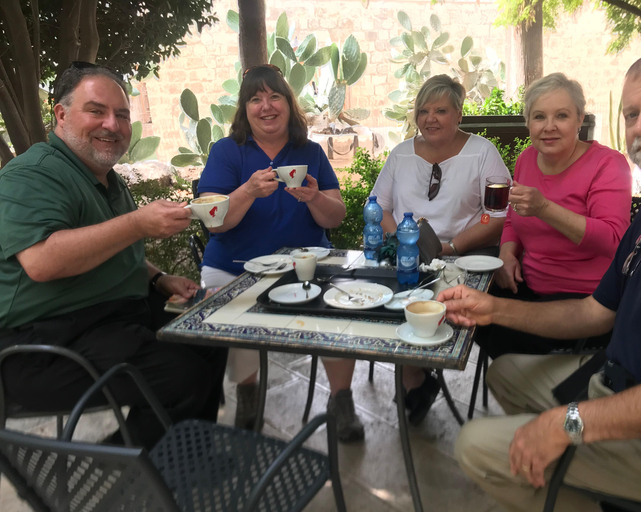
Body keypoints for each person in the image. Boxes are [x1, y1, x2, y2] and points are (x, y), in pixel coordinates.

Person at [443, 47, 641, 511]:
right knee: (506, 374)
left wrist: (567, 423)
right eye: (631, 113)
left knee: (476, 446)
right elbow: (594, 312)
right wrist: (493, 308)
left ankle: (594, 479)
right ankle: (598, 477)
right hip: (619, 380)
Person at [0, 63, 227, 449]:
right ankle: (116, 473)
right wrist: (138, 224)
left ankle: (188, 452)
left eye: (122, 115)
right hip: (43, 344)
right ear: (61, 114)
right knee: (182, 378)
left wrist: (157, 279)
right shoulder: (32, 174)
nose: (113, 124)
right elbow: (42, 261)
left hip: (113, 315)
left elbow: (113, 246)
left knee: (209, 332)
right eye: (97, 111)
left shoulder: (109, 179)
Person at [196, 65, 362, 442]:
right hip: (233, 265)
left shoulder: (310, 152)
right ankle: (249, 393)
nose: (266, 106)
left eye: (274, 97)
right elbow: (213, 221)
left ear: (289, 104)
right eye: (255, 99)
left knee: (341, 308)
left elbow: (336, 215)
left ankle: (341, 399)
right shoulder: (227, 151)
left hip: (308, 263)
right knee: (235, 308)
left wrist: (314, 197)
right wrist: (247, 191)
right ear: (244, 109)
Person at [370, 74, 512, 425]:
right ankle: (416, 378)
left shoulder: (482, 153)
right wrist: (404, 242)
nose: (430, 118)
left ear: (459, 114)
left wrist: (449, 247)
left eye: (441, 110)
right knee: (390, 298)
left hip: (465, 258)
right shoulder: (401, 154)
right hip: (410, 255)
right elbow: (381, 207)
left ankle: (415, 378)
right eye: (423, 111)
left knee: (427, 302)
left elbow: (499, 215)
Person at [476, 73, 631, 358]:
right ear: (528, 122)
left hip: (587, 303)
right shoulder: (526, 159)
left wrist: (545, 209)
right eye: (539, 117)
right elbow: (513, 217)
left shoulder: (608, 164)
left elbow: (613, 239)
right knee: (468, 311)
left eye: (561, 115)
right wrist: (507, 255)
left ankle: (537, 394)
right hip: (528, 286)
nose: (549, 127)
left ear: (580, 119)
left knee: (500, 332)